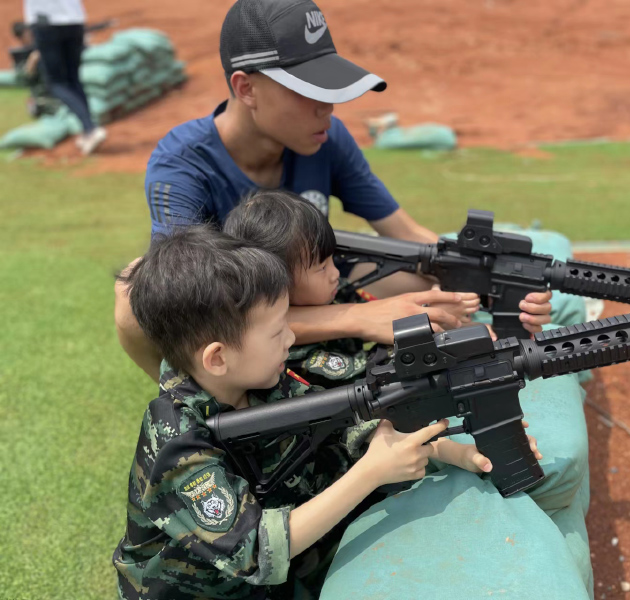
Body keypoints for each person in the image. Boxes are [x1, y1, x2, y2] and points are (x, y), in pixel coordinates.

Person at [114, 0, 552, 383]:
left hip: (322, 282)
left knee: (433, 286)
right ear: (246, 88)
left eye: (329, 87)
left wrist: (496, 286)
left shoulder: (328, 136)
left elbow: (404, 234)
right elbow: (190, 306)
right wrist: (359, 318)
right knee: (135, 302)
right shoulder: (182, 164)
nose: (328, 107)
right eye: (308, 90)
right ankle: (192, 400)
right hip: (235, 310)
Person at [111, 225, 542, 599]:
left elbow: (347, 430)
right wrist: (371, 472)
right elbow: (255, 552)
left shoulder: (262, 379)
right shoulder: (175, 443)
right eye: (278, 331)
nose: (292, 337)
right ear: (217, 358)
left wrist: (453, 452)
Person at [222, 189, 481, 387]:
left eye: (331, 260)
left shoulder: (336, 293)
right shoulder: (289, 352)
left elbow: (380, 315)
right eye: (321, 267)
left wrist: (432, 310)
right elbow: (371, 373)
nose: (335, 273)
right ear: (279, 283)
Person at [23, 0, 107, 153]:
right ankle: (89, 129)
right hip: (75, 20)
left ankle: (90, 128)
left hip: (46, 23)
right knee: (73, 79)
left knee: (55, 83)